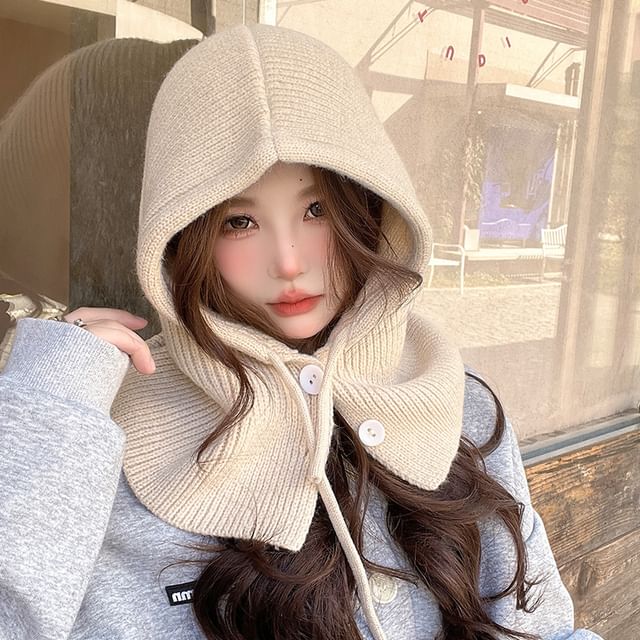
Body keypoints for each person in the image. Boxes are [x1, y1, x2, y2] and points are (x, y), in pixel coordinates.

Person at [0, 23, 603, 640]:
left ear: (372, 212)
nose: (288, 262)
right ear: (182, 238)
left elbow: (545, 631)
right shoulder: (105, 429)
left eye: (316, 210)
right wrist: (51, 401)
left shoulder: (453, 397)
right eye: (238, 221)